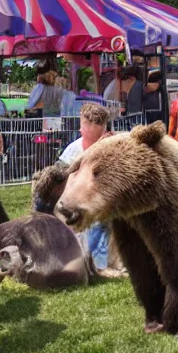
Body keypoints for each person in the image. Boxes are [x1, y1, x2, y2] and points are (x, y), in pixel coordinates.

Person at [57, 103, 121, 277]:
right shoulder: (73, 150)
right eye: (84, 128)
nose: (81, 131)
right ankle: (83, 260)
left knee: (100, 217)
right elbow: (61, 177)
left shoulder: (111, 148)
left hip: (101, 199)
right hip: (73, 198)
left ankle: (99, 265)